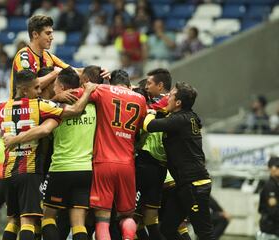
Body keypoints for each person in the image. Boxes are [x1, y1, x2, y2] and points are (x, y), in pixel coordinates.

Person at [0, 69, 96, 240]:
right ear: (25, 90)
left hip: (9, 171)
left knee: (14, 220)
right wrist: (88, 90)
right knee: (28, 221)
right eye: (36, 88)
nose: (39, 91)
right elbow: (74, 111)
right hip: (30, 169)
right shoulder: (40, 106)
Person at [143, 82, 215, 240]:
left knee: (204, 233)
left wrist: (151, 110)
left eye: (170, 96)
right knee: (167, 229)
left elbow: (149, 125)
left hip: (195, 185)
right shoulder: (189, 116)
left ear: (178, 103)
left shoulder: (180, 120)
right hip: (184, 184)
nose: (166, 98)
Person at [87, 70, 147, 240]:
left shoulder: (104, 91)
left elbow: (84, 89)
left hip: (103, 162)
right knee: (127, 216)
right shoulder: (140, 99)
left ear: (111, 82)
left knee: (102, 220)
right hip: (127, 164)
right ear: (129, 84)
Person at [135, 68, 172, 240]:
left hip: (147, 162)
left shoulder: (162, 102)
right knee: (150, 219)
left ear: (160, 85)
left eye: (150, 83)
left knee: (129, 217)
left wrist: (130, 94)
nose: (147, 87)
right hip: (159, 167)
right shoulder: (171, 103)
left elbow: (145, 113)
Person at [257, 156, 279, 240]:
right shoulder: (270, 186)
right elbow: (273, 210)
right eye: (277, 167)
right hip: (270, 231)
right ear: (271, 169)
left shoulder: (276, 185)